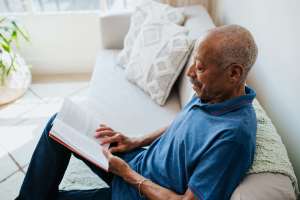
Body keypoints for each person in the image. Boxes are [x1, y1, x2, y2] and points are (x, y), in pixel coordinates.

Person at [16, 24, 258, 200]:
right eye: (194, 63)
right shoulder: (214, 93)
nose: (190, 73)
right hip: (138, 161)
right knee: (58, 124)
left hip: (141, 190)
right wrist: (135, 141)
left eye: (201, 67)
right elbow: (184, 124)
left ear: (234, 73)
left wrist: (128, 175)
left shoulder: (233, 138)